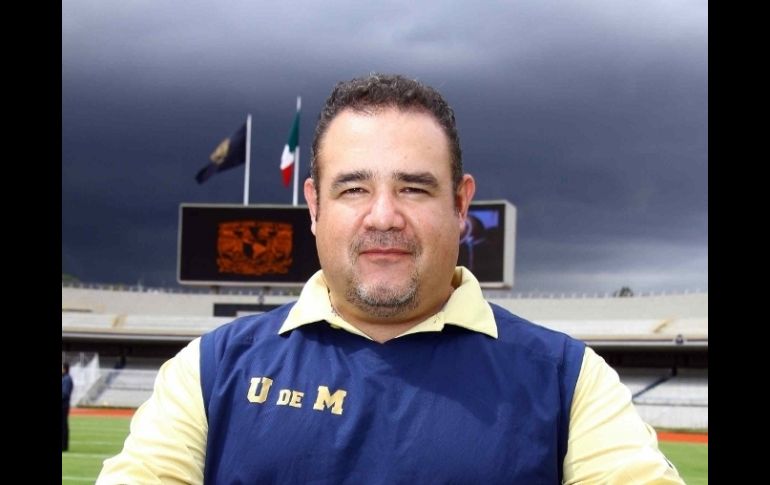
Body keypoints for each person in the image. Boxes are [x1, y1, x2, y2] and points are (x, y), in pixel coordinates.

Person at [97, 74, 684, 484]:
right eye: (353, 188)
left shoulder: (569, 381)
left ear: (460, 203)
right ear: (314, 204)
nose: (383, 216)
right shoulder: (206, 371)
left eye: (413, 187)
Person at [62, 361, 73, 452]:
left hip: (63, 405)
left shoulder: (67, 379)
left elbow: (65, 393)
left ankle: (64, 445)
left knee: (63, 425)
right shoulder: (65, 378)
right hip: (64, 405)